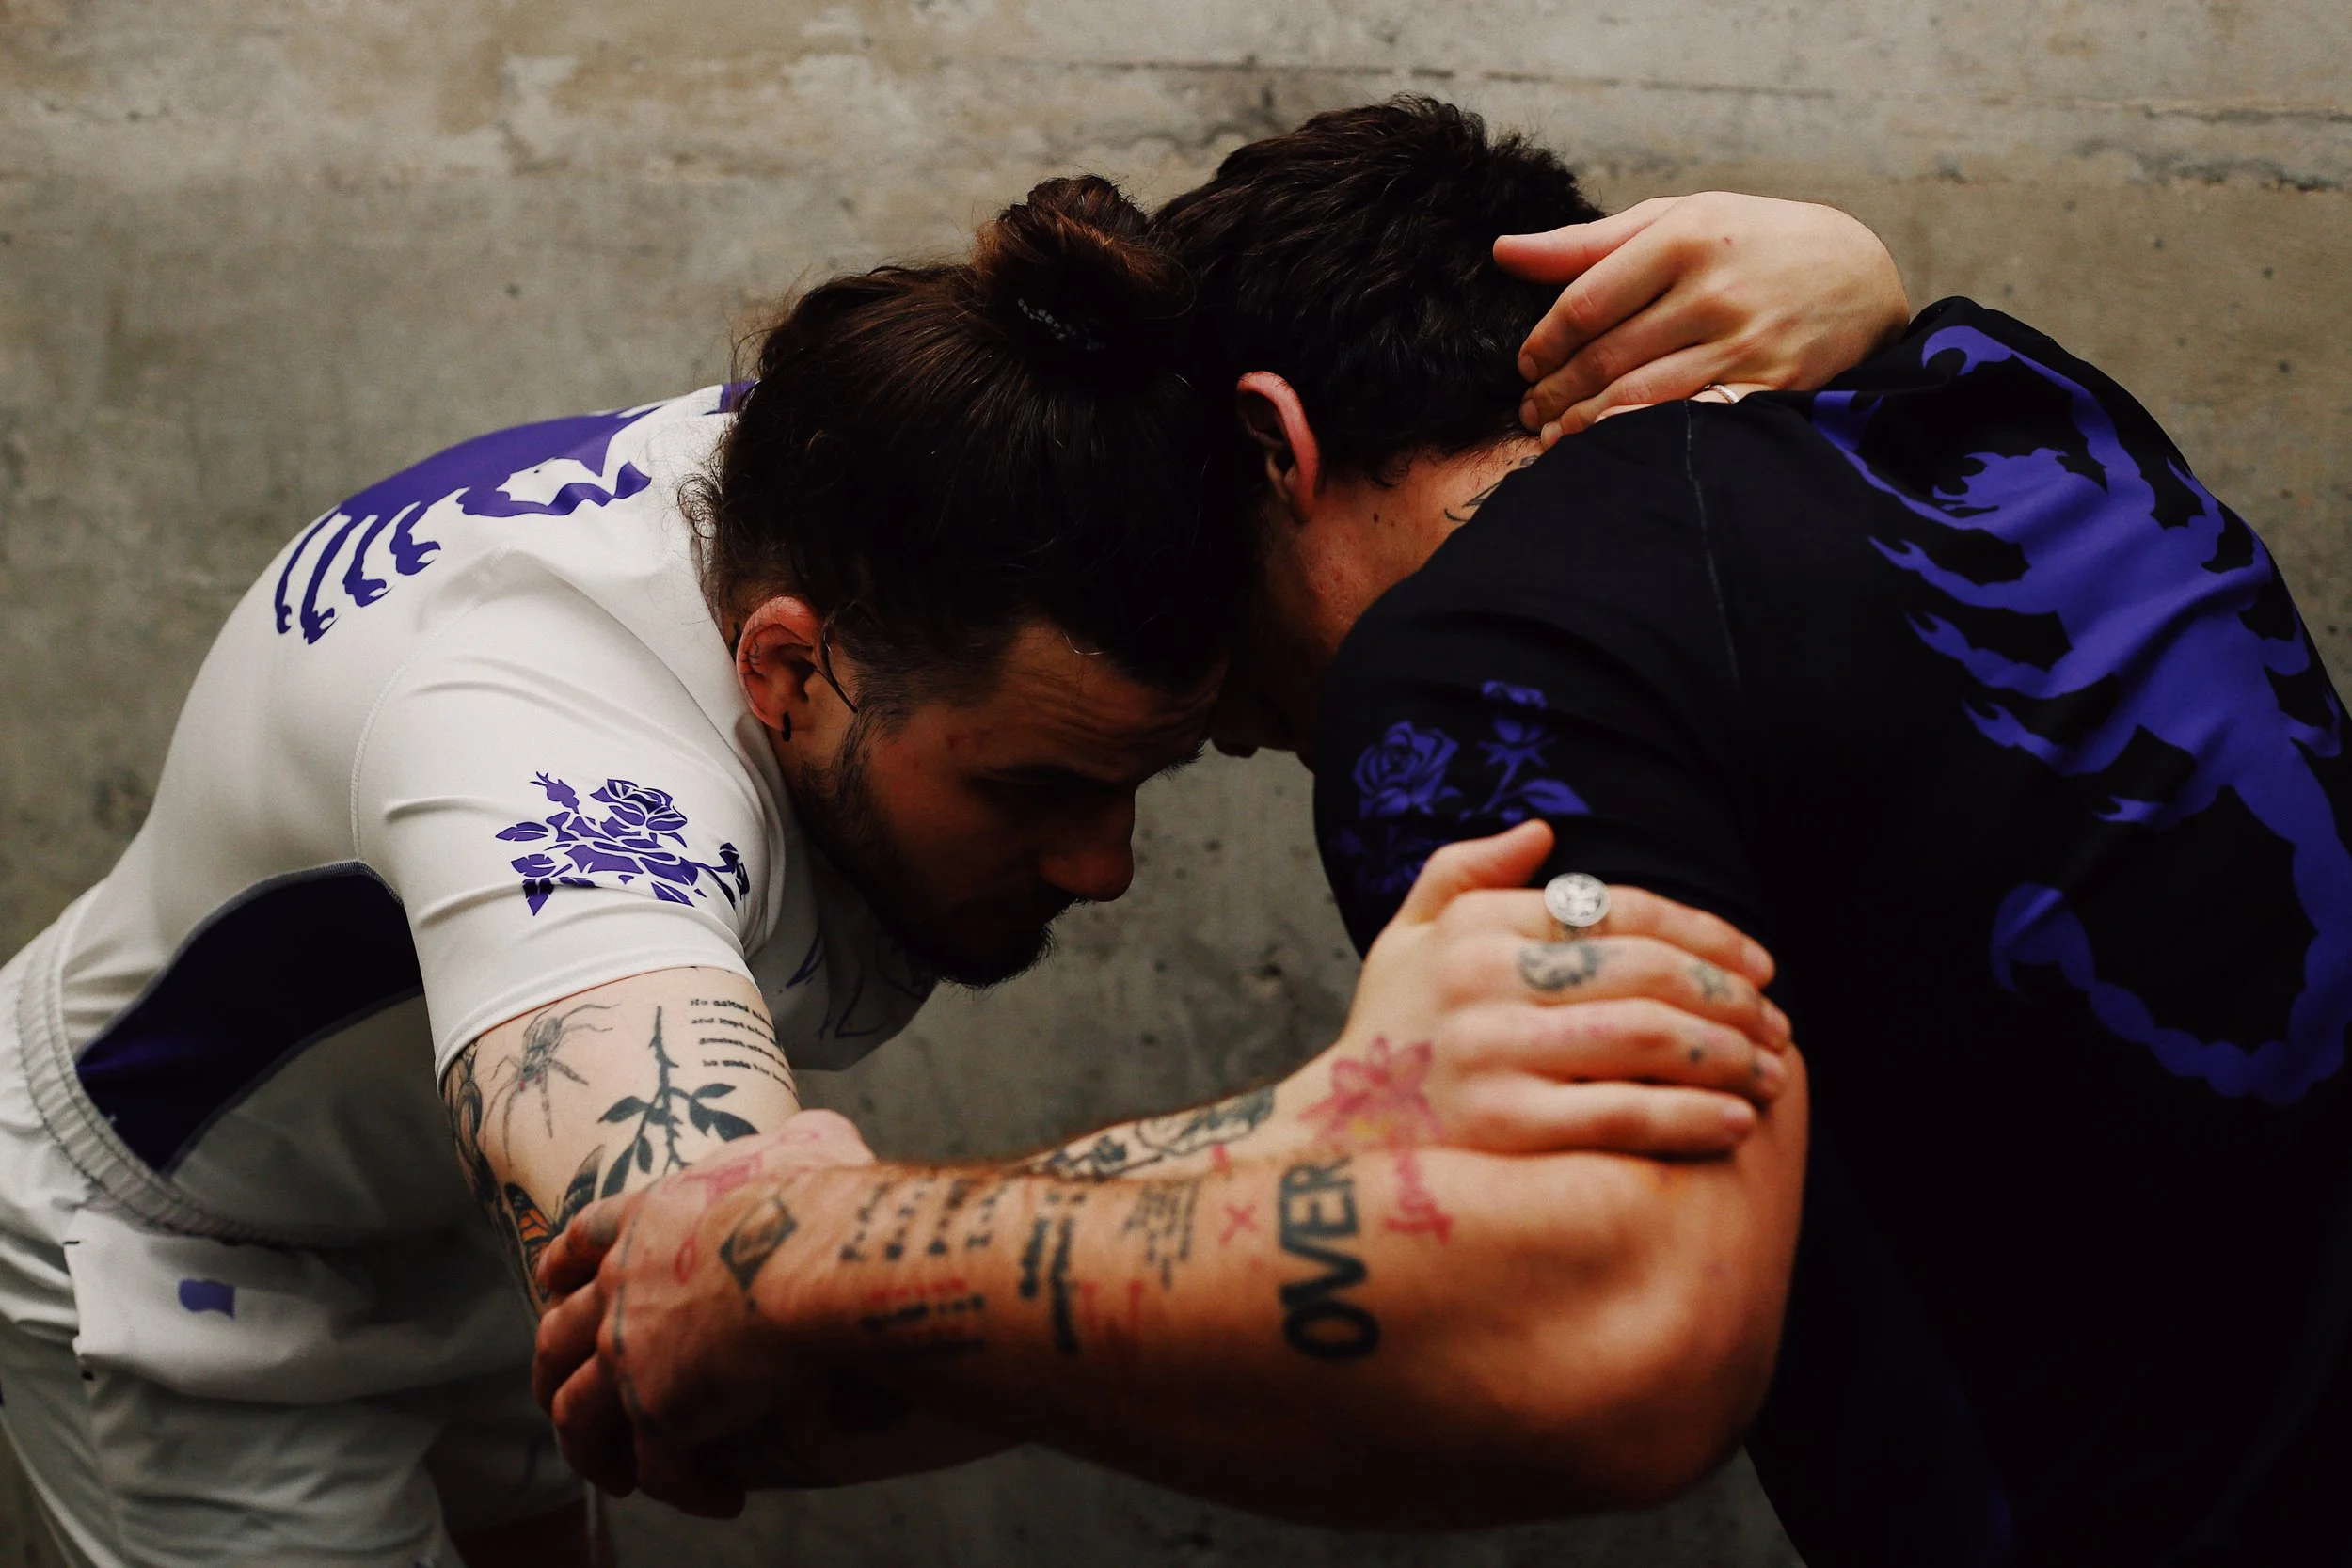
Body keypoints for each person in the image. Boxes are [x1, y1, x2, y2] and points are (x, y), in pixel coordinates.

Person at [541, 100, 2352, 1568]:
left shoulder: (1487, 647)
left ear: (1271, 442)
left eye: (1200, 601)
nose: (1230, 717)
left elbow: (1603, 1339)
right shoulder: (1998, 394)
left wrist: (816, 1249)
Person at [0, 163, 1892, 1566]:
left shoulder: (916, 444)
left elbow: (1151, 314)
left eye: (1149, 777)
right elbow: (703, 1313)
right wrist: (1301, 1133)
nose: (1103, 865)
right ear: (785, 669)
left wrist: (1849, 283)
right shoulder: (535, 746)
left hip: (440, 1203)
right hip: (200, 1255)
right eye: (1035, 786)